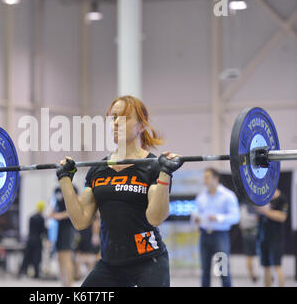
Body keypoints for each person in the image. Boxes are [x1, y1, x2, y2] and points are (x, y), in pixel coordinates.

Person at [56, 95, 183, 287]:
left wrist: (165, 174)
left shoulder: (153, 167)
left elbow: (155, 217)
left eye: (123, 118)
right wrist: (64, 179)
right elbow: (81, 220)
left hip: (149, 261)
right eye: (113, 118)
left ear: (141, 126)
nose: (116, 123)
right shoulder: (98, 170)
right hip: (110, 265)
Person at [192, 168, 240, 287]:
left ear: (216, 178)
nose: (205, 180)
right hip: (204, 235)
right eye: (204, 177)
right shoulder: (201, 195)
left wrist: (219, 218)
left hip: (220, 236)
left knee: (223, 270)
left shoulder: (228, 196)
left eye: (207, 177)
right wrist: (195, 218)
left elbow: (236, 217)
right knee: (205, 271)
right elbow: (195, 212)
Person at [256, 188, 288, 287]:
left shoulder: (281, 199)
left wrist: (265, 212)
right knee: (266, 267)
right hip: (263, 237)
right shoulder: (263, 199)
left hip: (276, 238)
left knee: (276, 265)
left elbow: (282, 217)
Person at [48, 186, 78, 287]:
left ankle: (69, 284)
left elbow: (75, 208)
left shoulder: (73, 188)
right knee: (59, 257)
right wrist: (51, 213)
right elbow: (52, 206)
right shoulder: (56, 190)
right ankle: (63, 284)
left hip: (68, 227)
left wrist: (59, 215)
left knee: (66, 257)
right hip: (58, 228)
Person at [18, 200, 47, 279]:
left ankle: (22, 272)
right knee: (36, 257)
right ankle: (36, 274)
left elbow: (30, 229)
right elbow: (43, 231)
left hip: (30, 239)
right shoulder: (41, 218)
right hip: (37, 240)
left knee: (27, 257)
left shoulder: (31, 217)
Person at [239, 201, 259, 283]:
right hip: (256, 233)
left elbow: (240, 223)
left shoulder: (242, 208)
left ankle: (252, 275)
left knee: (249, 256)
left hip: (247, 233)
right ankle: (265, 273)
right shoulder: (258, 205)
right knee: (260, 255)